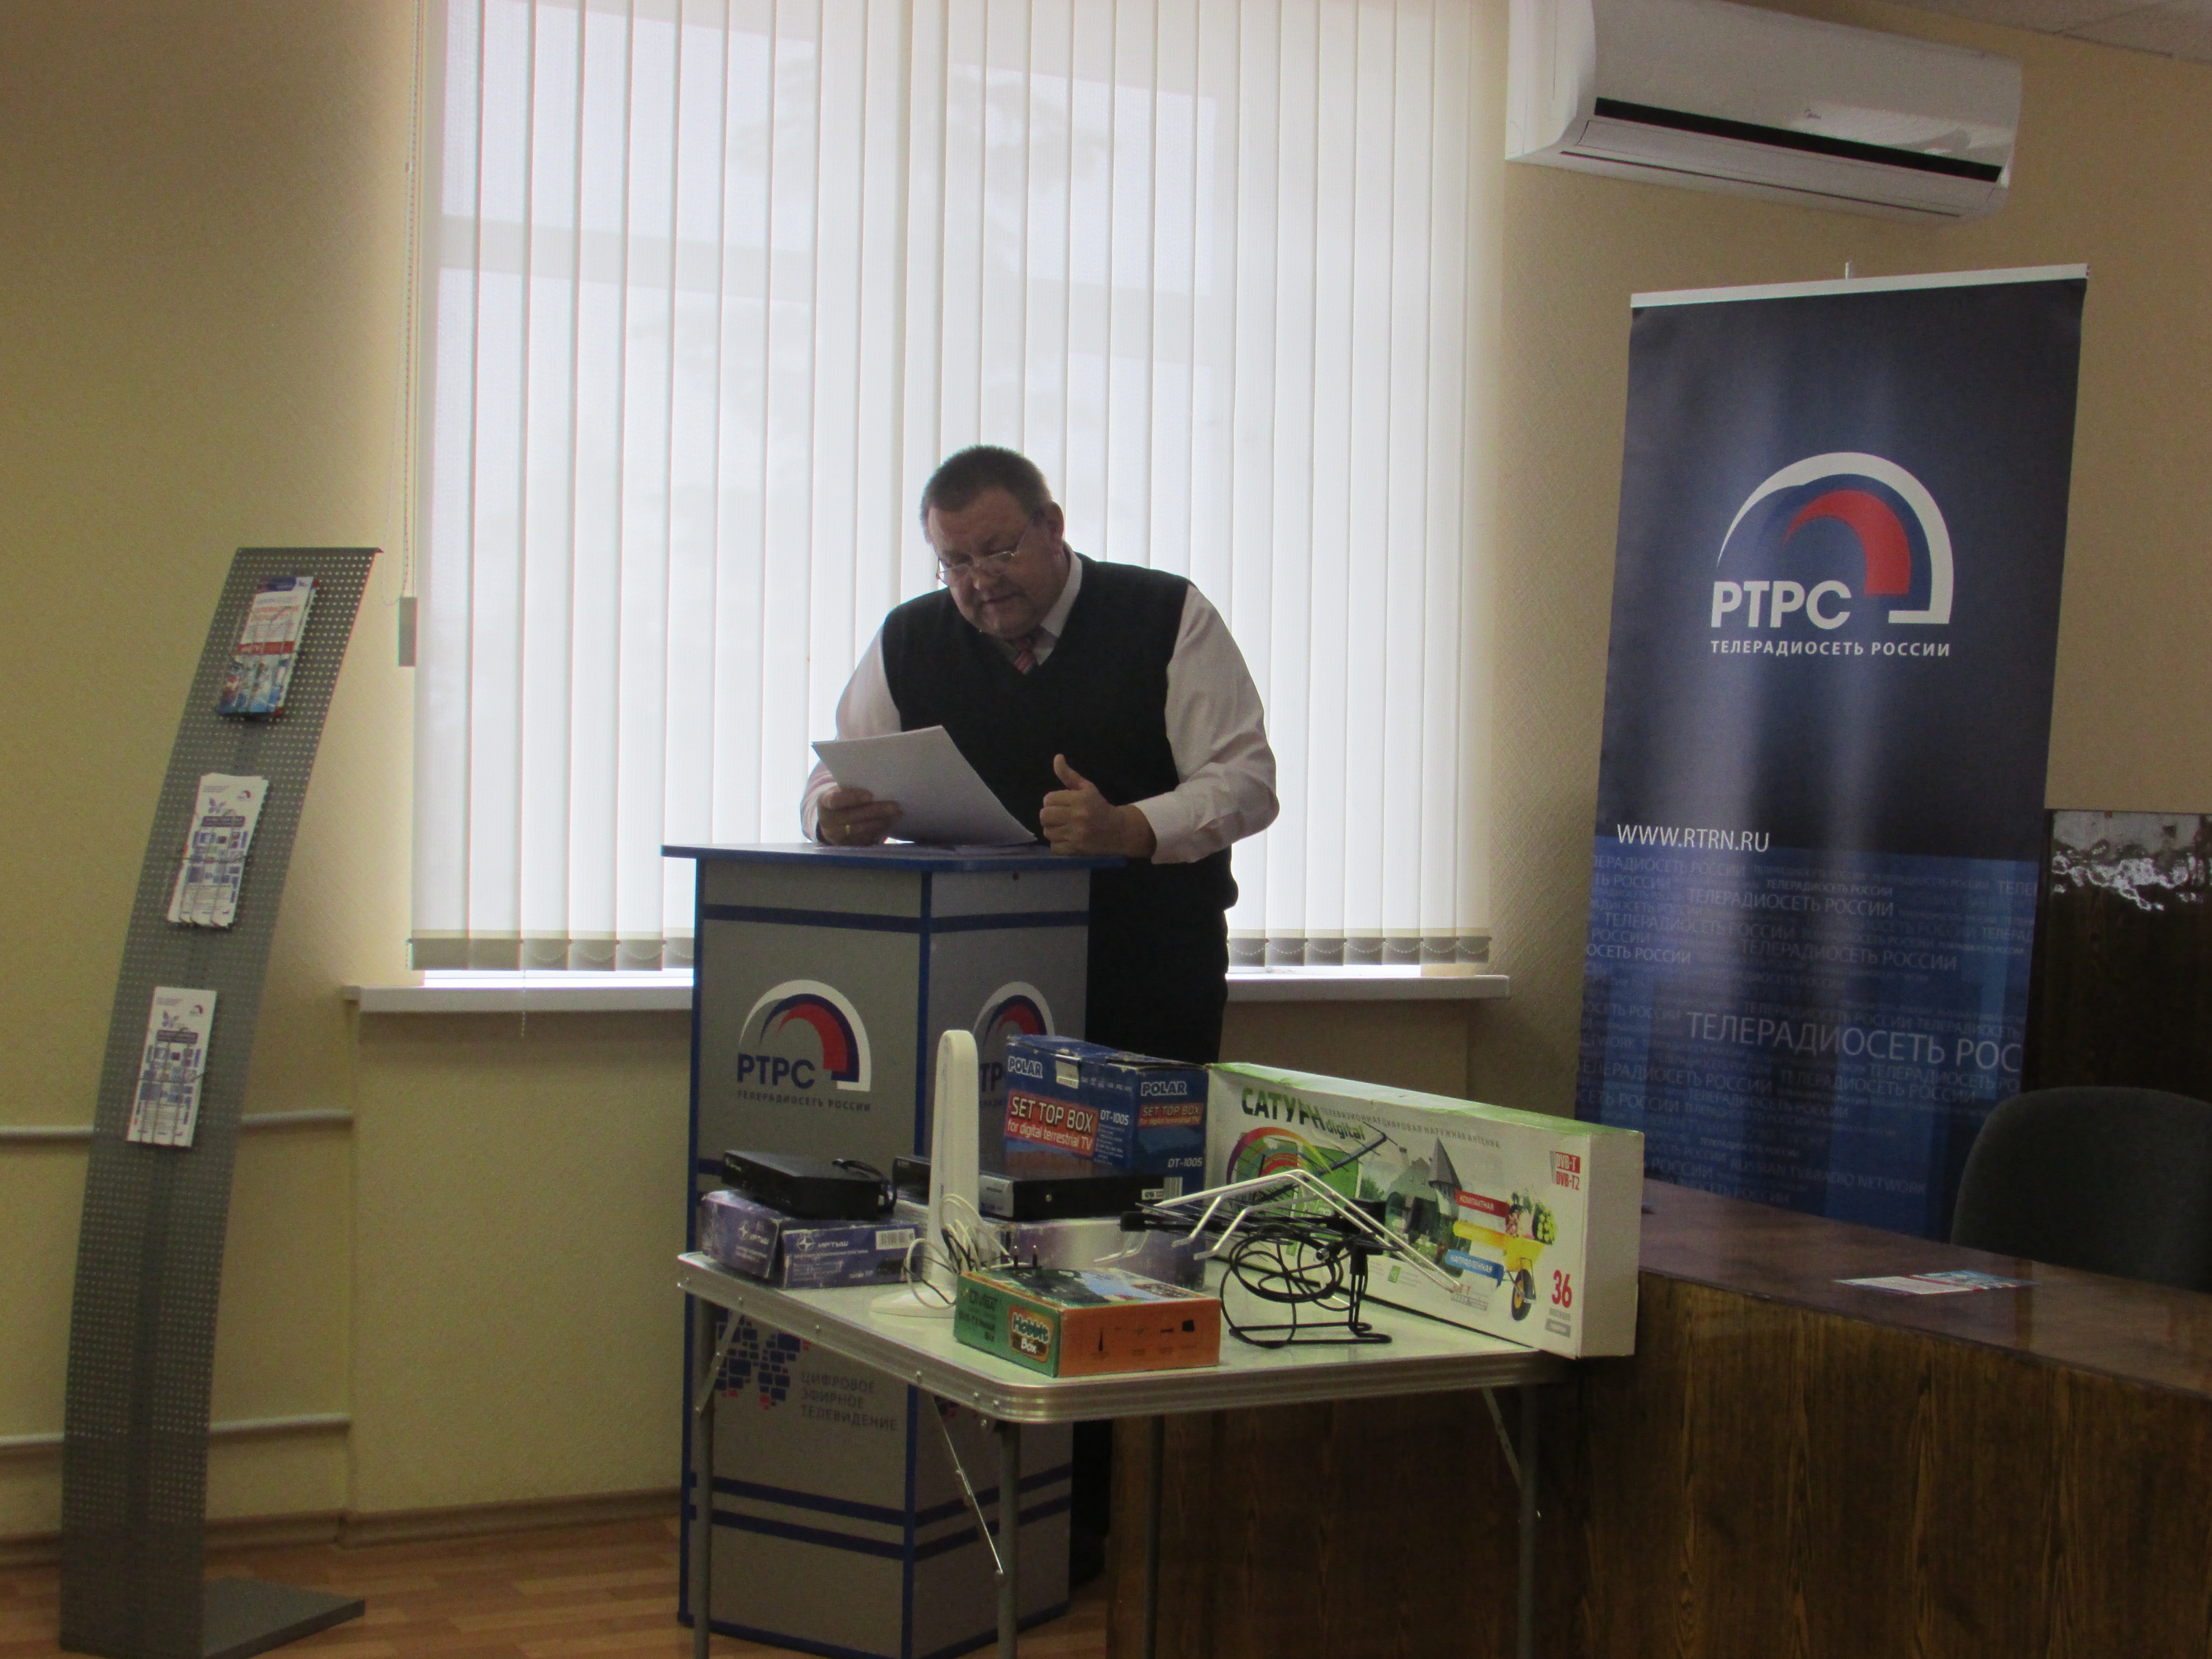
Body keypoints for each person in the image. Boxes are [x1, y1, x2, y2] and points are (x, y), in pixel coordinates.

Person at [802, 445, 1277, 1065]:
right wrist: (830, 816)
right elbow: (839, 770)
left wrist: (1129, 828)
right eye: (956, 562)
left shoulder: (1166, 615)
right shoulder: (909, 637)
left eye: (999, 552)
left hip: (1144, 980)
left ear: (1052, 526)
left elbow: (1246, 781)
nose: (981, 580)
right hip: (968, 986)